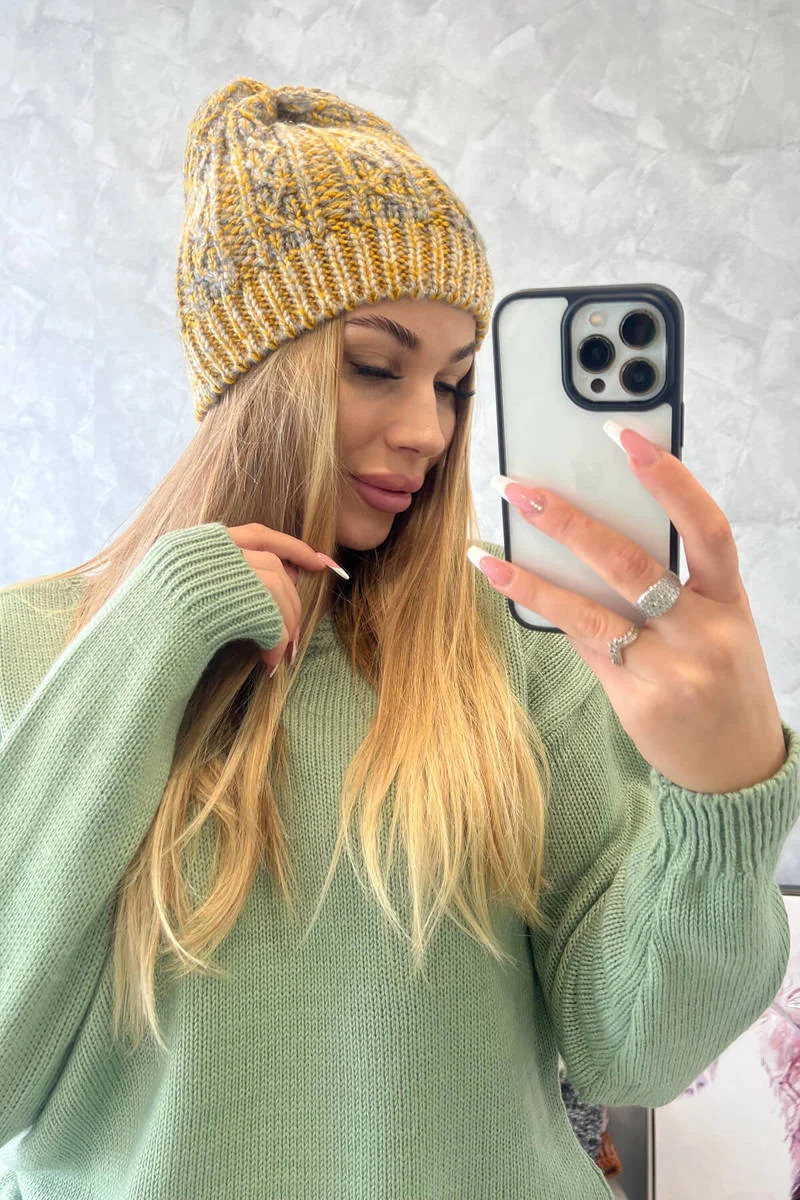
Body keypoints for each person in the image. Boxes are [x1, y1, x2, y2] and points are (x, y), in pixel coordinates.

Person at [0, 77, 797, 1200]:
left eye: (456, 385)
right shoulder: (34, 650)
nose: (428, 430)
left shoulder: (515, 653)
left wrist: (724, 798)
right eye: (375, 365)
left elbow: (635, 1056)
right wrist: (161, 628)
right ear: (247, 370)